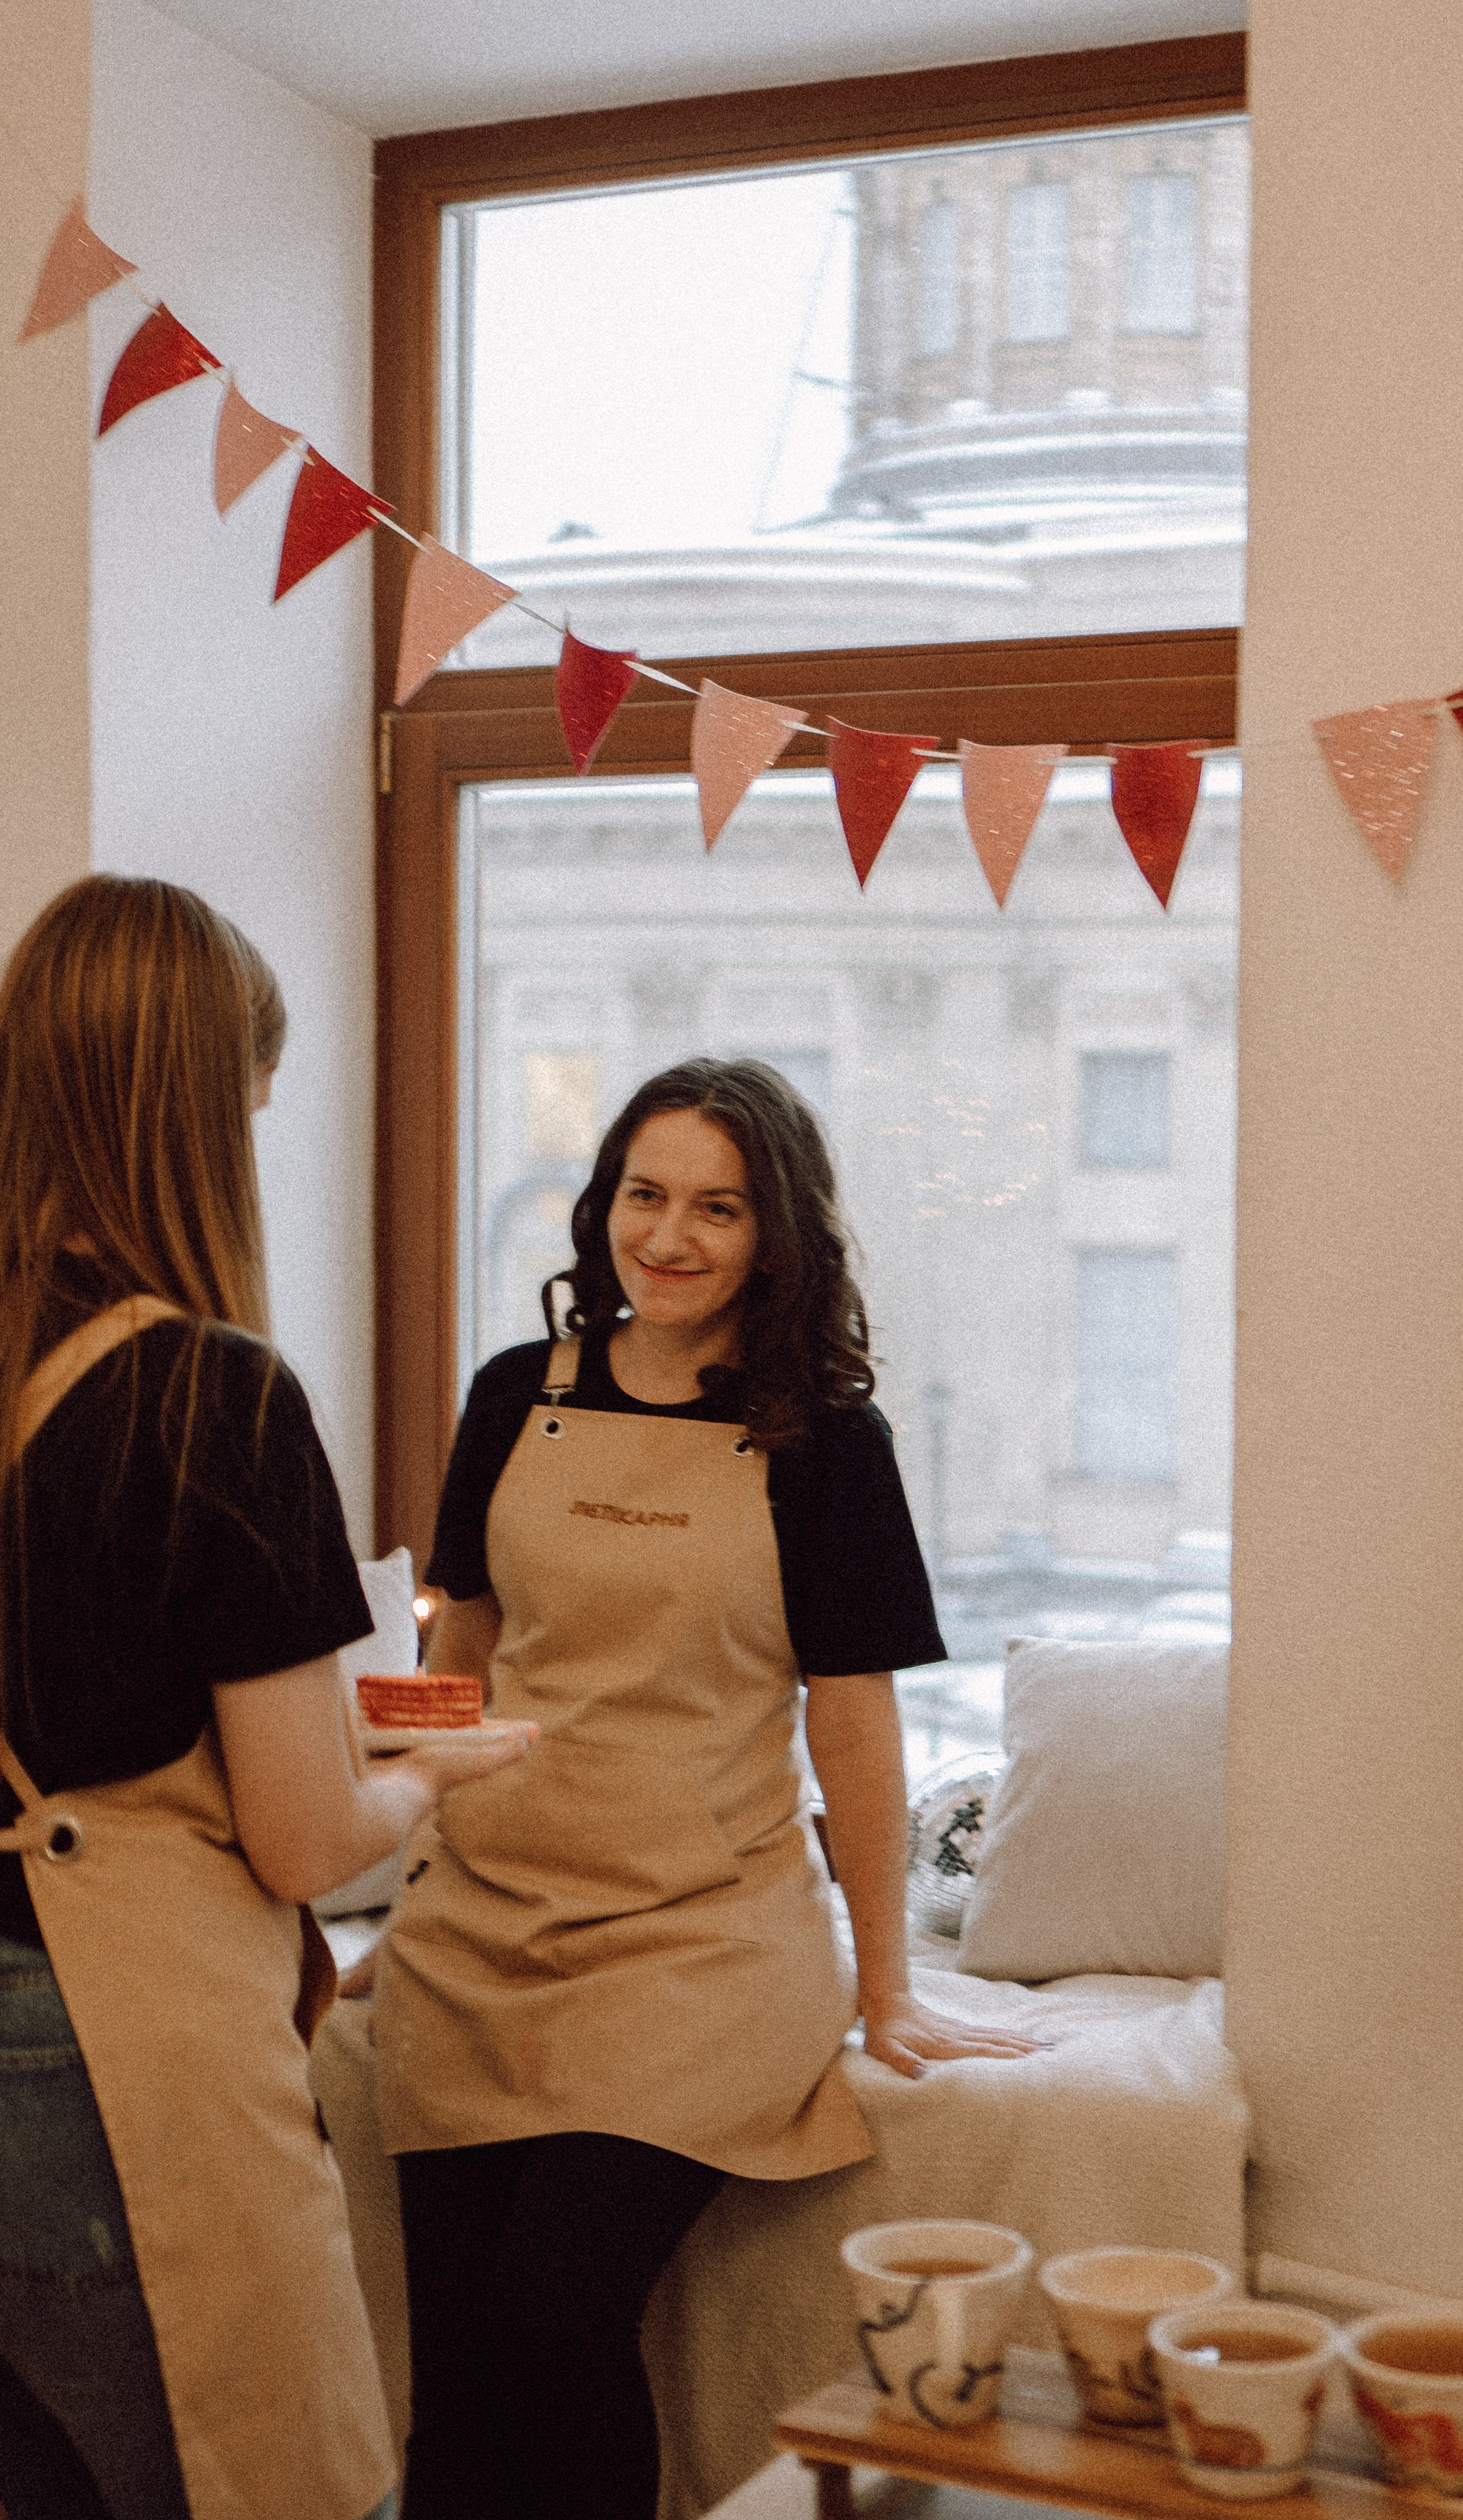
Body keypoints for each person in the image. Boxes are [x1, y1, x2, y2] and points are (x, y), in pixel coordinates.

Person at [374, 1057, 1037, 2520]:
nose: (667, 1237)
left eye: (716, 1208)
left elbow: (853, 1734)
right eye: (644, 1194)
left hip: (700, 1942)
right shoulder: (510, 1395)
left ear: (774, 1232)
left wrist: (885, 1987)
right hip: (479, 1933)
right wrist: (386, 1846)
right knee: (461, 2374)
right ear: (602, 1201)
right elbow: (462, 1657)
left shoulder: (823, 1443)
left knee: (553, 2315)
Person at [0, 874, 532, 2520]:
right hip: (107, 2060)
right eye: (250, 1092)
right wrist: (448, 1764)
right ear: (190, 1109)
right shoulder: (209, 1399)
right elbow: (302, 1835)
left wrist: (398, 1725)